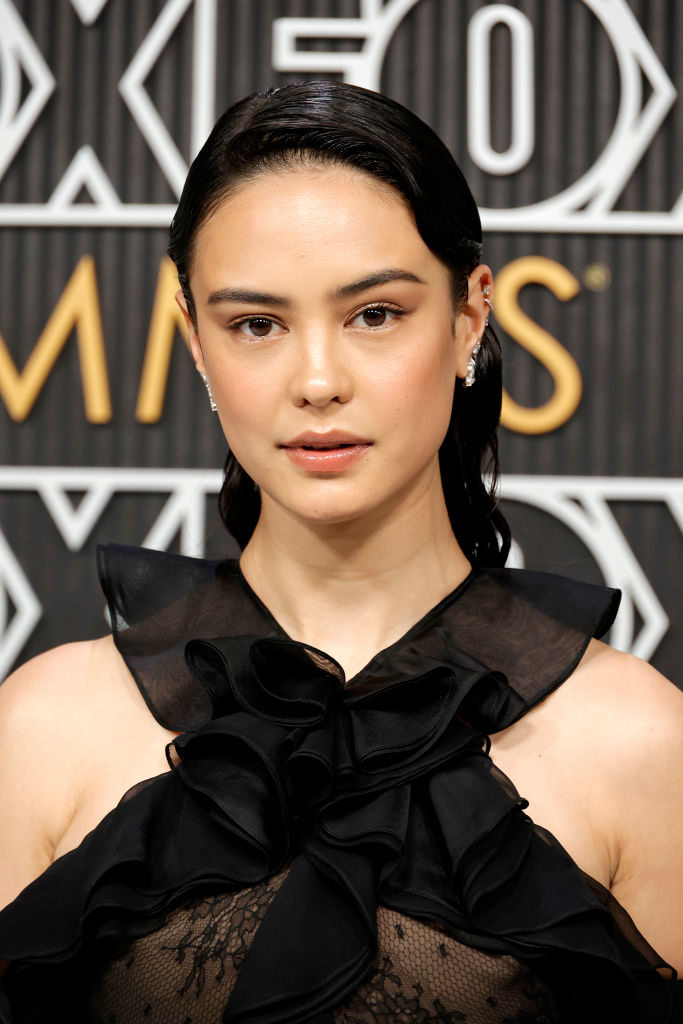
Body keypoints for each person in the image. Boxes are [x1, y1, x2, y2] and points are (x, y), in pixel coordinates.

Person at [0, 81, 681, 1024]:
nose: (317, 381)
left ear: (469, 316)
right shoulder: (44, 729)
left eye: (374, 314)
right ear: (194, 340)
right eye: (256, 325)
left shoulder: (641, 744)